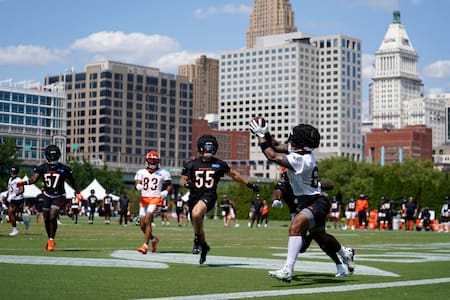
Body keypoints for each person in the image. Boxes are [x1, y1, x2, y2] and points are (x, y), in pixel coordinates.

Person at [249, 118, 354, 282]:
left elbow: (272, 155)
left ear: (300, 143)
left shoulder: (302, 160)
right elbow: (276, 145)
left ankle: (287, 270)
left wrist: (260, 136)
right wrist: (265, 132)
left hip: (316, 201)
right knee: (321, 237)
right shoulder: (302, 151)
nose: (291, 139)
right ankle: (344, 253)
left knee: (295, 226)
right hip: (312, 201)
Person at [179, 134, 259, 264]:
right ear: (200, 148)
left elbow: (234, 174)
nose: (209, 150)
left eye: (211, 147)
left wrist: (249, 184)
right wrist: (187, 184)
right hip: (194, 197)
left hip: (209, 196)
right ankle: (204, 246)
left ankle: (196, 239)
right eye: (206, 147)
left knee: (196, 214)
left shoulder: (218, 164)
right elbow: (182, 180)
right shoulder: (192, 164)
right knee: (197, 224)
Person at [272, 167, 355, 277]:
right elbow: (277, 192)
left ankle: (288, 270)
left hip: (314, 207)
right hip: (300, 214)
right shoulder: (284, 185)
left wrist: (316, 184)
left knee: (320, 238)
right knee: (310, 242)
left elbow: (330, 185)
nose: (285, 176)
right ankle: (344, 254)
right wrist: (276, 199)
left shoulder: (303, 180)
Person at [17, 145, 82, 251]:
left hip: (59, 195)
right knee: (47, 219)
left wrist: (78, 193)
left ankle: (51, 240)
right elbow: (34, 179)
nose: (53, 159)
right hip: (47, 195)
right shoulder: (43, 167)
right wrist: (24, 182)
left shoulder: (64, 169)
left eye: (54, 157)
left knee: (52, 217)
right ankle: (49, 239)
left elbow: (73, 181)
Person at [135, 151, 173, 254]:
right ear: (147, 161)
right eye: (151, 160)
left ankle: (145, 246)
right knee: (142, 225)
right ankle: (153, 239)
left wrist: (166, 191)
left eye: (154, 161)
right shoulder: (141, 172)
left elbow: (169, 185)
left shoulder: (163, 172)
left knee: (148, 219)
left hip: (155, 198)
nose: (152, 162)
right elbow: (137, 181)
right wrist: (138, 185)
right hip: (144, 199)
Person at [3, 166, 25, 236]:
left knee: (10, 213)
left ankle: (15, 230)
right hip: (12, 198)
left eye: (14, 172)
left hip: (18, 199)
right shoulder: (10, 179)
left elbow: (22, 190)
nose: (13, 173)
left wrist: (13, 195)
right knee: (11, 214)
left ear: (17, 172)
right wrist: (7, 195)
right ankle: (24, 221)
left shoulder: (19, 180)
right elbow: (10, 189)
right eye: (12, 171)